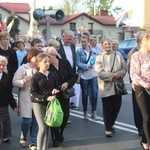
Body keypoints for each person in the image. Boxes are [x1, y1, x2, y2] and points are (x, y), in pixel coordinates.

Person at [44, 46, 77, 147]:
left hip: (64, 94)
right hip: (53, 95)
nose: (47, 59)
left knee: (65, 116)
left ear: (54, 55)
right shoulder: (48, 66)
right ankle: (55, 138)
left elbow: (73, 76)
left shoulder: (64, 62)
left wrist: (67, 83)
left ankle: (60, 132)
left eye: (49, 56)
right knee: (55, 115)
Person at [95, 37, 127, 137]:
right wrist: (113, 75)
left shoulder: (118, 55)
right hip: (105, 87)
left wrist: (120, 75)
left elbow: (124, 67)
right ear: (102, 45)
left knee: (117, 107)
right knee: (107, 108)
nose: (108, 46)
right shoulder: (99, 57)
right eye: (106, 44)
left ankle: (112, 122)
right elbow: (100, 72)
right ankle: (107, 128)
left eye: (109, 44)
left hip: (117, 86)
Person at [30, 53, 59, 150]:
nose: (47, 64)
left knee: (47, 128)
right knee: (42, 127)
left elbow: (56, 86)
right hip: (38, 103)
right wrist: (46, 97)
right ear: (38, 64)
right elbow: (33, 93)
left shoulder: (52, 74)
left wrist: (55, 90)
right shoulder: (36, 76)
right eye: (44, 62)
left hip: (49, 104)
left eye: (48, 62)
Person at [13, 49, 40, 149]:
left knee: (36, 121)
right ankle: (23, 134)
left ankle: (33, 141)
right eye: (35, 57)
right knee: (27, 120)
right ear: (30, 57)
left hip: (38, 98)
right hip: (26, 97)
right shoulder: (23, 68)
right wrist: (24, 81)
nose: (37, 60)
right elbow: (14, 82)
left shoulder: (40, 68)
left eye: (38, 57)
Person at [130, 32, 150, 150]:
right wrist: (146, 84)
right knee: (146, 116)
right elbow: (134, 75)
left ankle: (144, 139)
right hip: (141, 87)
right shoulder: (136, 55)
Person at [127, 31, 147, 136]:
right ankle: (140, 127)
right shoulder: (134, 53)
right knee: (138, 108)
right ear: (139, 42)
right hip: (138, 86)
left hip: (148, 86)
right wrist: (136, 85)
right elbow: (131, 72)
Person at [76, 35, 98, 120]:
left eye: (85, 41)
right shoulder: (79, 51)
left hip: (93, 74)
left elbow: (97, 60)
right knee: (85, 94)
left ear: (89, 42)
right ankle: (85, 112)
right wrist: (86, 66)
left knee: (95, 93)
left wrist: (94, 66)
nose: (83, 43)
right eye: (82, 42)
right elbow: (77, 63)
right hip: (83, 74)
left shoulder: (94, 51)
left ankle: (94, 112)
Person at [0, 55, 18, 142]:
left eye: (3, 65)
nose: (1, 67)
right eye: (0, 65)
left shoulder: (6, 77)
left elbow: (9, 93)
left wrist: (14, 105)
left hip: (3, 103)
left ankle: (5, 136)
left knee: (3, 122)